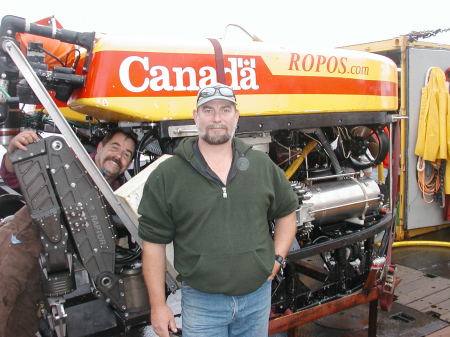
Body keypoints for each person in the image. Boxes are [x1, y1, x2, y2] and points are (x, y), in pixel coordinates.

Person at [138, 83, 299, 337]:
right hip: (203, 304)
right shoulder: (168, 175)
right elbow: (153, 244)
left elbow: (287, 213)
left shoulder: (261, 166)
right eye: (208, 110)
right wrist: (158, 306)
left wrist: (278, 258)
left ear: (236, 117)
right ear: (195, 116)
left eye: (225, 110)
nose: (217, 118)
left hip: (257, 299)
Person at [0, 128, 137, 337]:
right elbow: (13, 178)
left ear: (128, 164)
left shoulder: (118, 195)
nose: (118, 156)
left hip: (52, 265)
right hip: (20, 244)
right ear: (100, 147)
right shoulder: (67, 162)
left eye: (126, 154)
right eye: (115, 147)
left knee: (22, 324)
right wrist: (13, 152)